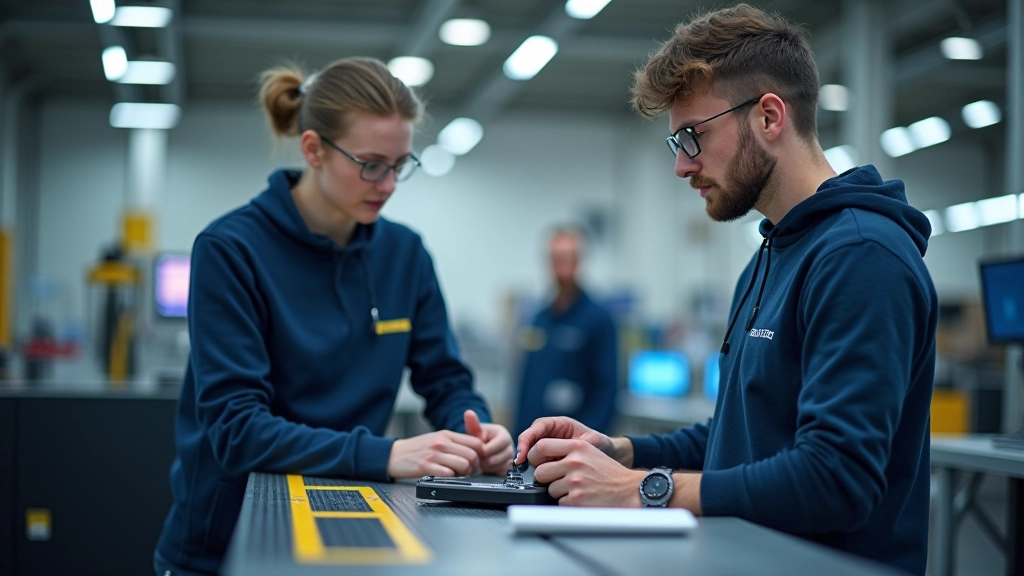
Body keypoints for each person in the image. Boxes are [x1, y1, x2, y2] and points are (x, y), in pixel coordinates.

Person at [515, 5, 936, 575]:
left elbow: (835, 479)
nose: (683, 167)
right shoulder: (771, 255)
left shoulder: (861, 256)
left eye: (693, 136)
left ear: (768, 116)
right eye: (676, 144)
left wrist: (642, 488)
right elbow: (742, 435)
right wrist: (621, 451)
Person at [154, 57, 513, 576]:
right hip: (222, 546)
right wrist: (386, 456)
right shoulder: (231, 250)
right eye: (370, 164)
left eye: (400, 165)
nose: (388, 184)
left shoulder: (404, 254)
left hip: (347, 525)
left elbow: (445, 378)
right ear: (314, 150)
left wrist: (474, 432)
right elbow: (237, 431)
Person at [512, 226, 618, 438]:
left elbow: (607, 392)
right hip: (532, 442)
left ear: (580, 260)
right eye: (557, 257)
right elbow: (526, 383)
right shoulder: (539, 318)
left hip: (574, 447)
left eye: (569, 257)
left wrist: (585, 443)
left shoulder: (599, 320)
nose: (563, 265)